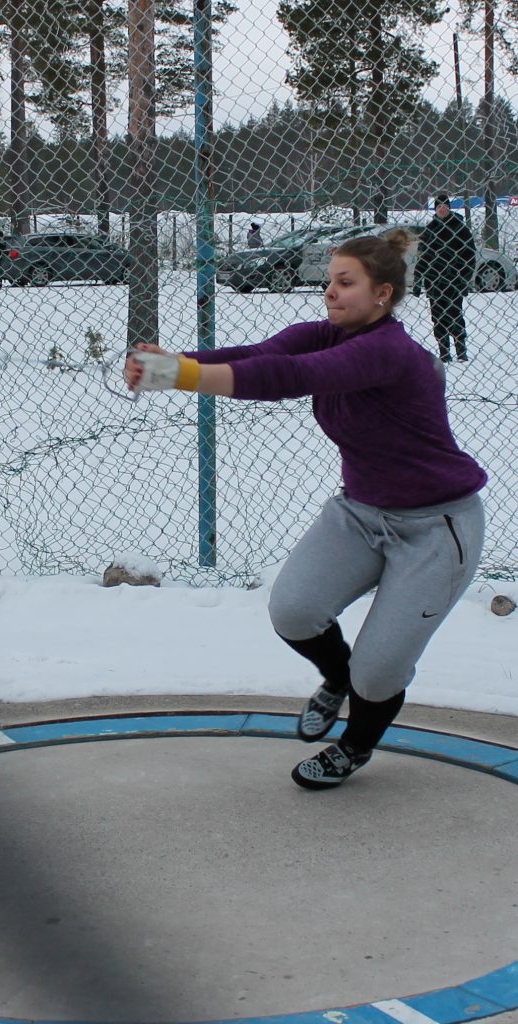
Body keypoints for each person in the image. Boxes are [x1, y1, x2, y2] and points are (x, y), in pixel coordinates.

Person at [123, 230, 486, 790]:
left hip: (436, 527)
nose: (330, 293)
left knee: (380, 669)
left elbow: (290, 378)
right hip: (361, 513)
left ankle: (355, 745)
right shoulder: (325, 334)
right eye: (328, 282)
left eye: (345, 283)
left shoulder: (387, 352)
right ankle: (337, 680)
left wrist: (177, 376)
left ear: (383, 293)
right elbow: (260, 356)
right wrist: (172, 362)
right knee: (294, 610)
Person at [413, 193, 476, 363]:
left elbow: (470, 257)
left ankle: (461, 350)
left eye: (445, 206)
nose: (442, 209)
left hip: (454, 280)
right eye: (439, 206)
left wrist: (464, 279)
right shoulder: (430, 230)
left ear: (449, 208)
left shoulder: (460, 229)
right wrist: (418, 281)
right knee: (438, 317)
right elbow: (422, 258)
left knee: (455, 314)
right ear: (435, 209)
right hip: (434, 282)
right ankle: (444, 352)